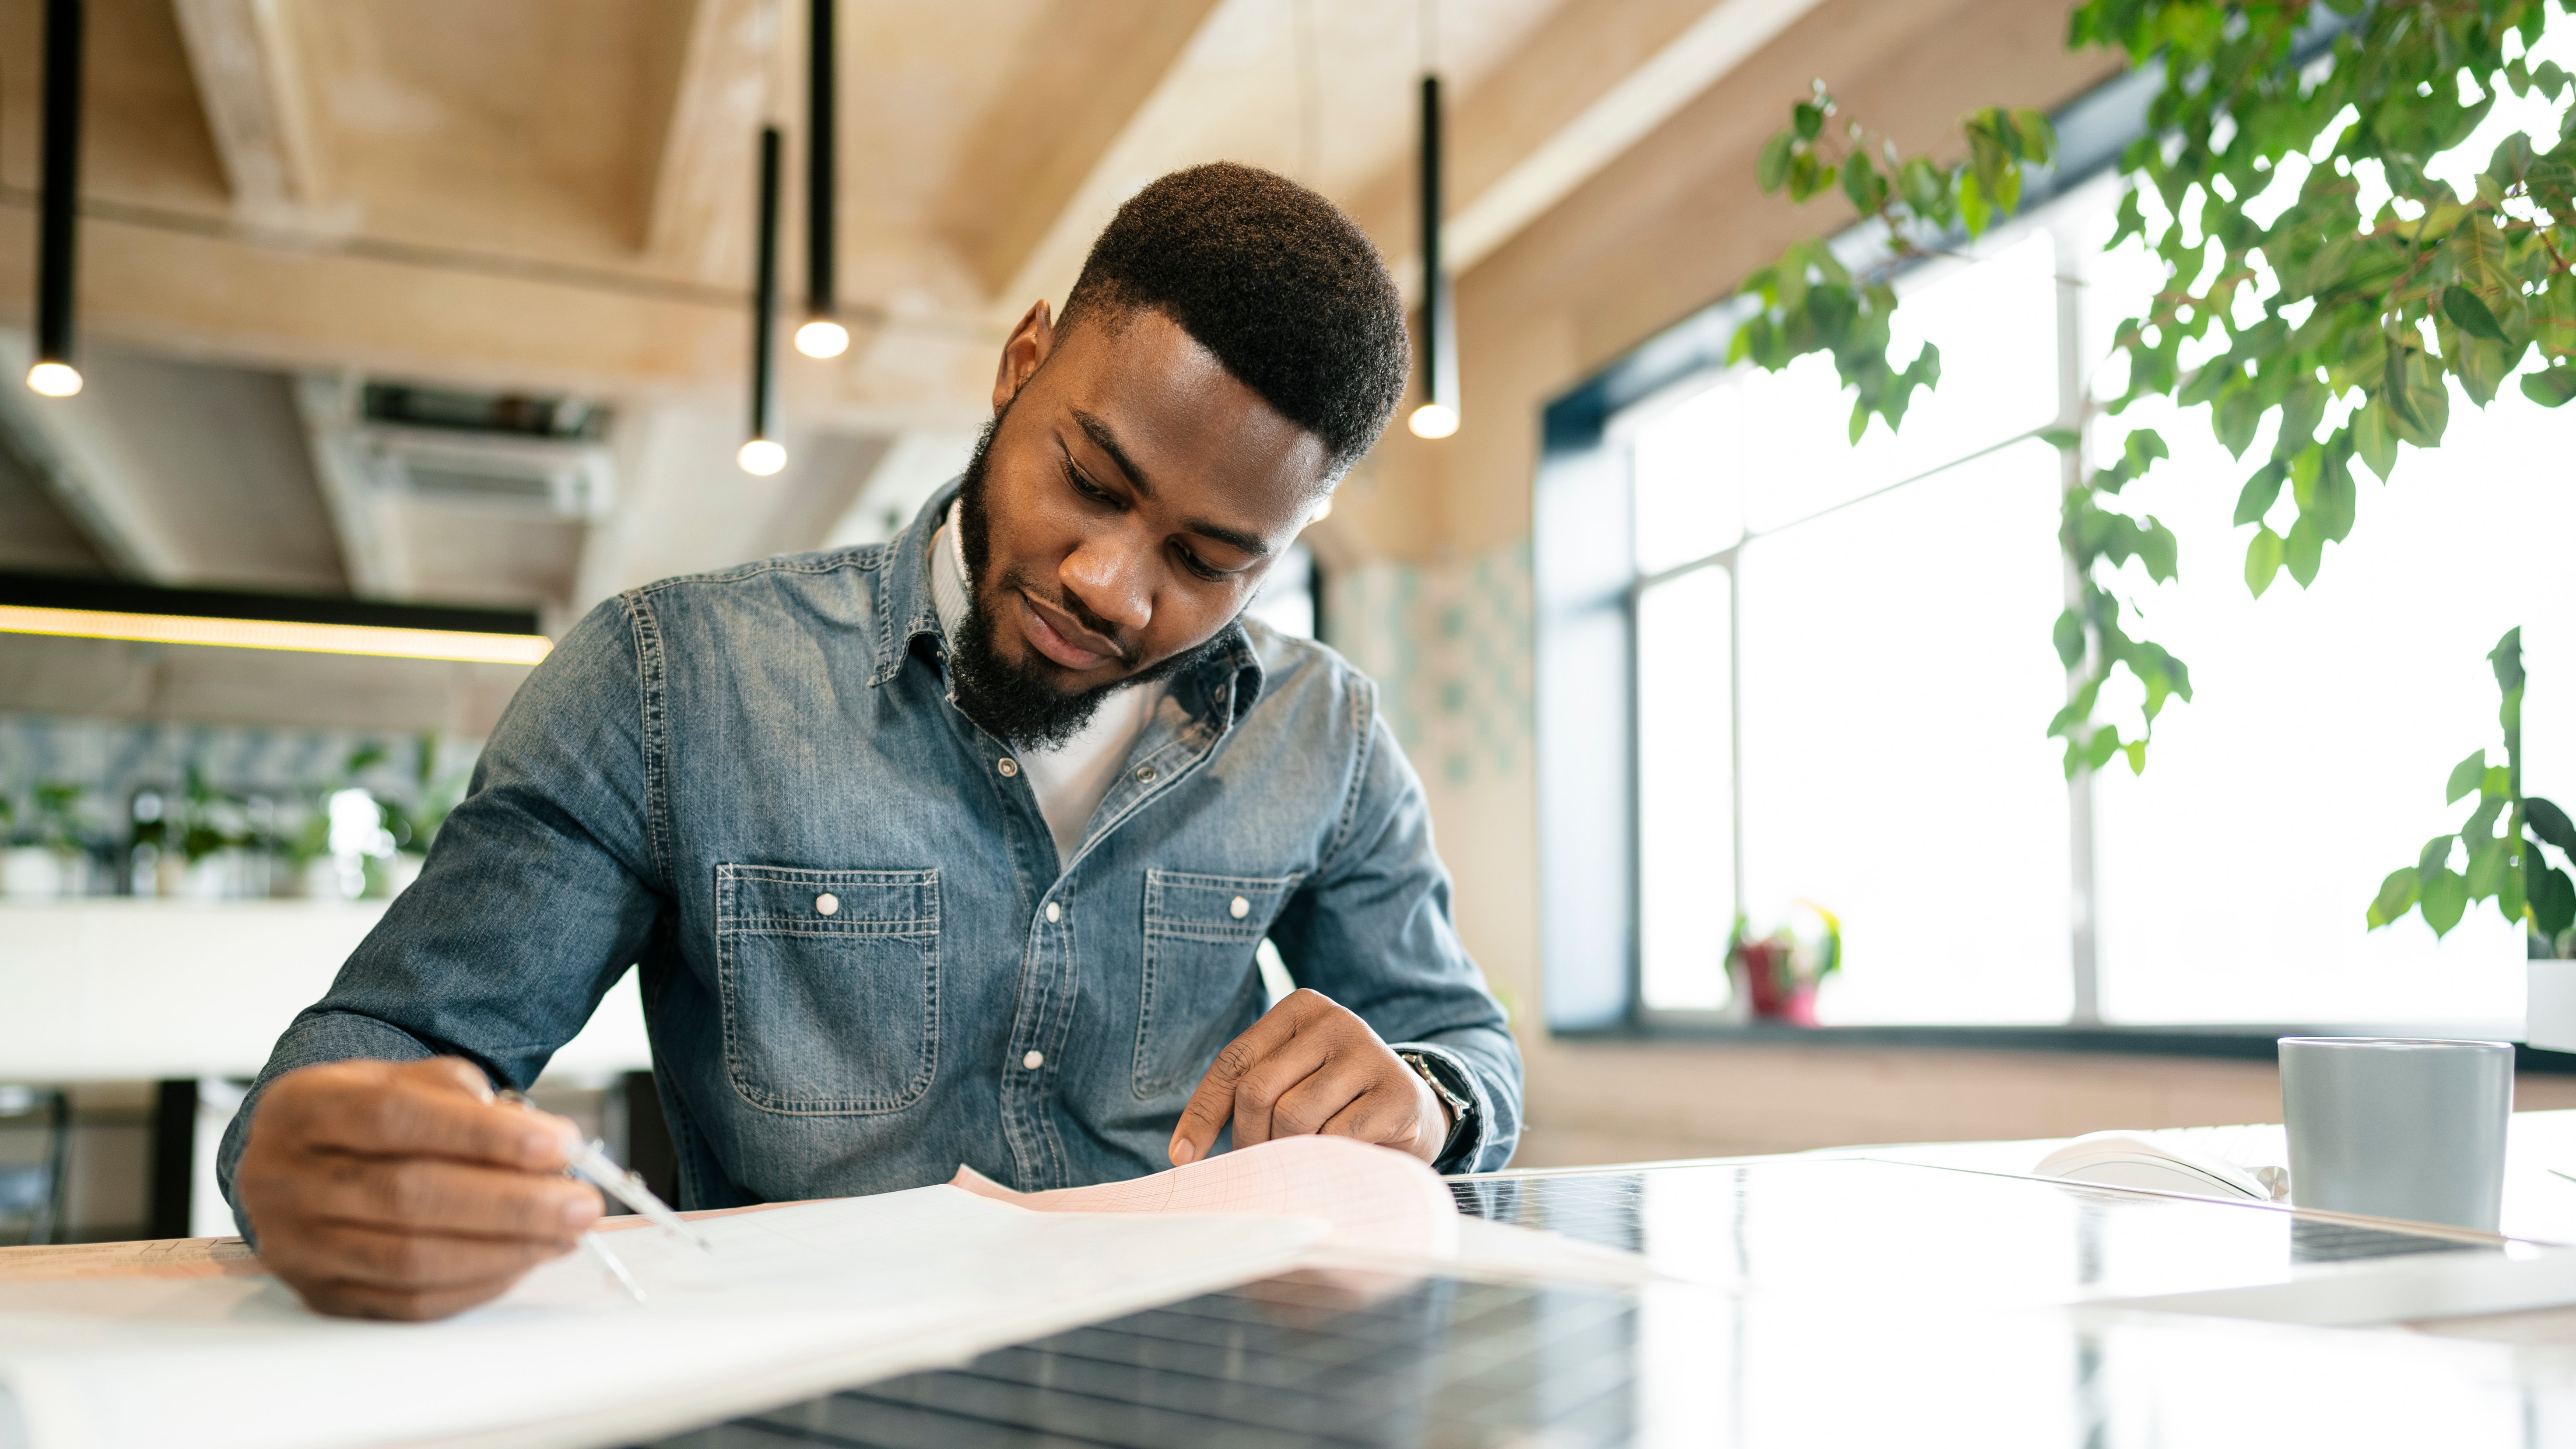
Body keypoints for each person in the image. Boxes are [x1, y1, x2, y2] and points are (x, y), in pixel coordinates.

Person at [220, 162, 1523, 1320]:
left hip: (1191, 1387)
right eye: (1091, 480)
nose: (1112, 587)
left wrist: (1424, 1093)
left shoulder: (1327, 733)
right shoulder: (670, 685)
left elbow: (1466, 1049)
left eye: (1205, 560)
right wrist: (309, 1155)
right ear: (1023, 362)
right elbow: (383, 1051)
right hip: (802, 1395)